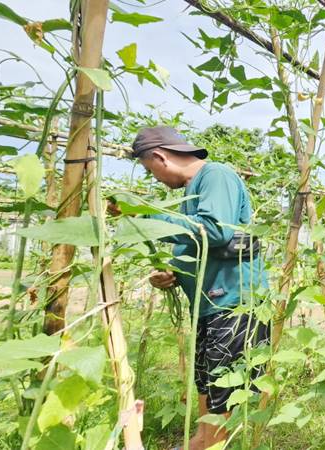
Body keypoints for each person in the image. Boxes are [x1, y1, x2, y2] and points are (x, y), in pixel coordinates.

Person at [121, 126, 268, 450]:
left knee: (222, 393)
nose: (155, 178)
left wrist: (147, 214)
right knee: (208, 385)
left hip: (234, 304)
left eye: (150, 170)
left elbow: (213, 231)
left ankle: (209, 444)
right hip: (210, 305)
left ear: (160, 157)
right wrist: (170, 273)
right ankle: (199, 443)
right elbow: (199, 244)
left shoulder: (215, 175)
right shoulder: (192, 194)